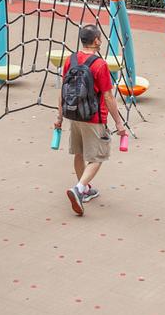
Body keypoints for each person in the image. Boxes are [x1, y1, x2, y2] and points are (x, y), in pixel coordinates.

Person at [53, 24, 129, 216]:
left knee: (79, 153)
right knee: (98, 157)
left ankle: (85, 191)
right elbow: (108, 97)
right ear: (96, 40)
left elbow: (62, 89)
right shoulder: (99, 65)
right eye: (99, 38)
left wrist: (59, 117)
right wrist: (119, 123)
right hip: (94, 117)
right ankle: (78, 188)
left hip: (73, 114)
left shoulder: (70, 60)